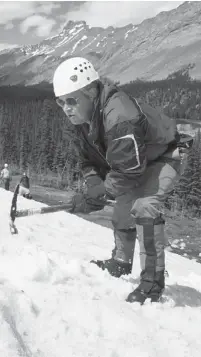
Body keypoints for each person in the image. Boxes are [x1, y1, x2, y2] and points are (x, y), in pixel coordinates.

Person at [53, 57, 191, 304]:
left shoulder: (119, 115)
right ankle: (120, 263)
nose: (66, 108)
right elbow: (88, 162)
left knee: (144, 207)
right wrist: (94, 186)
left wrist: (99, 194)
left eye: (72, 100)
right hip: (136, 163)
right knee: (122, 213)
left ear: (91, 91)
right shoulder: (78, 123)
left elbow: (129, 171)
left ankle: (152, 282)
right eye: (60, 102)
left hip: (164, 155)